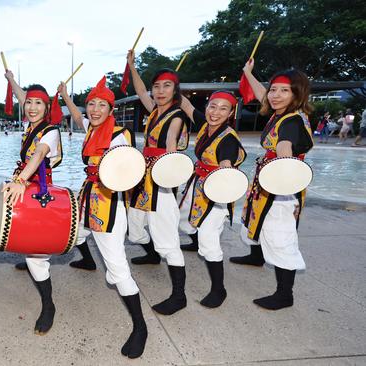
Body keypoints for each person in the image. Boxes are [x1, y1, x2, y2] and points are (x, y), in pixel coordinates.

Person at [61, 76, 147, 358]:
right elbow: (76, 115)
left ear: (112, 109)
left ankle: (140, 327)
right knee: (72, 233)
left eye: (102, 105)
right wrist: (65, 95)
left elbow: (130, 170)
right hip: (88, 196)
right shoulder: (91, 128)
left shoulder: (117, 135)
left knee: (118, 269)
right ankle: (87, 260)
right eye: (91, 104)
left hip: (108, 206)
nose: (95, 110)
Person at [235, 59, 314, 310]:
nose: (275, 95)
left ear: (297, 94)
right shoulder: (282, 113)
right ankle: (255, 256)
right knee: (258, 223)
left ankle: (284, 294)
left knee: (280, 238)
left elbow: (284, 148)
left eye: (284, 91)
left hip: (282, 190)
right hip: (269, 182)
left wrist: (282, 169)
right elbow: (262, 95)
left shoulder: (291, 122)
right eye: (274, 90)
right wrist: (248, 72)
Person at [125, 50, 191, 316]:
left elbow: (172, 141)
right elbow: (140, 90)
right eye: (157, 86)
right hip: (144, 179)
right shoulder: (154, 110)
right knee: (135, 229)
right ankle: (152, 254)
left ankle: (179, 295)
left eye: (167, 86)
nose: (160, 91)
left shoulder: (175, 115)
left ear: (176, 90)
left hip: (163, 180)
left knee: (168, 240)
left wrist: (170, 162)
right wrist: (132, 66)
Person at [2, 70, 63, 334]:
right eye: (29, 102)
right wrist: (11, 79)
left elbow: (38, 156)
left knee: (37, 257)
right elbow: (20, 95)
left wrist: (20, 180)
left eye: (38, 102)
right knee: (78, 234)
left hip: (39, 190)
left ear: (47, 107)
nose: (32, 106)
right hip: (30, 185)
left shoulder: (50, 132)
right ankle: (83, 251)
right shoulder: (31, 125)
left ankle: (48, 306)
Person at [178, 92, 246, 308]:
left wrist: (225, 170)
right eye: (212, 106)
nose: (215, 112)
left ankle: (219, 289)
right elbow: (187, 106)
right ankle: (196, 239)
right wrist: (173, 88)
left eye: (223, 108)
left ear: (231, 113)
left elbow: (227, 161)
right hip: (198, 185)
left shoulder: (228, 139)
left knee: (209, 241)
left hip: (218, 192)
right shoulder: (207, 123)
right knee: (181, 220)